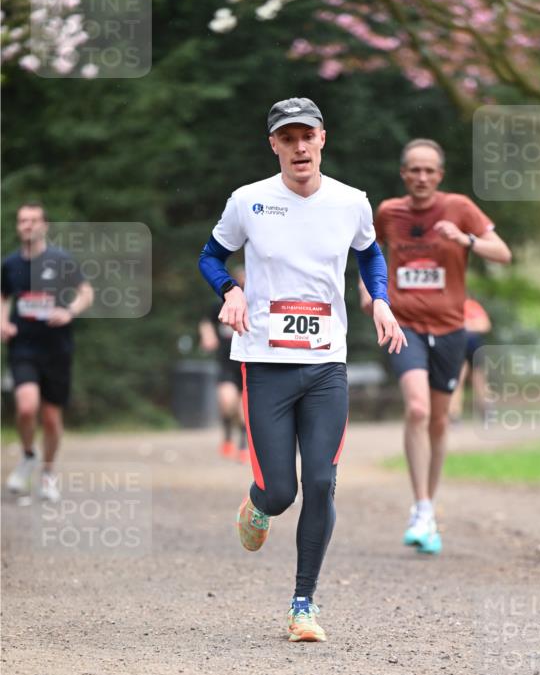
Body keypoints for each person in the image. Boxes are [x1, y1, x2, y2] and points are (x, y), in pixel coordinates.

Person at [199, 97, 405, 643]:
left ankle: (302, 605)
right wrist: (231, 289)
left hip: (325, 366)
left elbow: (371, 255)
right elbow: (209, 257)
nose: (298, 147)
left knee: (321, 482)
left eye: (306, 136)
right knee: (281, 491)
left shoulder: (351, 201)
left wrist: (379, 299)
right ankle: (258, 502)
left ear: (322, 139)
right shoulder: (248, 201)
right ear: (274, 145)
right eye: (286, 137)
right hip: (264, 363)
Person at [361, 139, 511, 554]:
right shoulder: (389, 212)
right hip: (404, 324)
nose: (422, 177)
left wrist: (465, 240)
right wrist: (369, 293)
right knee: (418, 408)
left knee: (440, 422)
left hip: (450, 329)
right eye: (415, 170)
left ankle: (428, 503)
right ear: (404, 174)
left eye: (430, 171)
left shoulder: (460, 207)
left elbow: (503, 253)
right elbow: (365, 254)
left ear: (439, 176)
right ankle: (422, 508)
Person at [1, 202, 93, 501]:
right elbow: (3, 297)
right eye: (22, 220)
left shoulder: (60, 259)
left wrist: (69, 312)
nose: (27, 225)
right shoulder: (10, 264)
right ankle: (28, 454)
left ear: (44, 225)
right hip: (23, 346)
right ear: (18, 226)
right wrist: (3, 322)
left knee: (51, 417)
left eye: (33, 220)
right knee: (27, 407)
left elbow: (86, 293)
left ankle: (48, 472)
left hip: (57, 347)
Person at [198, 265, 249, 463]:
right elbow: (206, 321)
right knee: (227, 402)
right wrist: (207, 334)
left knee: (244, 409)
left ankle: (243, 446)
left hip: (249, 363)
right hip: (227, 362)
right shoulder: (221, 303)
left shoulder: (259, 303)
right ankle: (228, 433)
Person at [449, 298, 492, 421]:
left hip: (474, 347)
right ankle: (454, 414)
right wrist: (471, 324)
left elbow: (485, 325)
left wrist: (465, 325)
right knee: (457, 381)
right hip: (458, 347)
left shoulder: (471, 305)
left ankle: (487, 412)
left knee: (480, 381)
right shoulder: (451, 305)